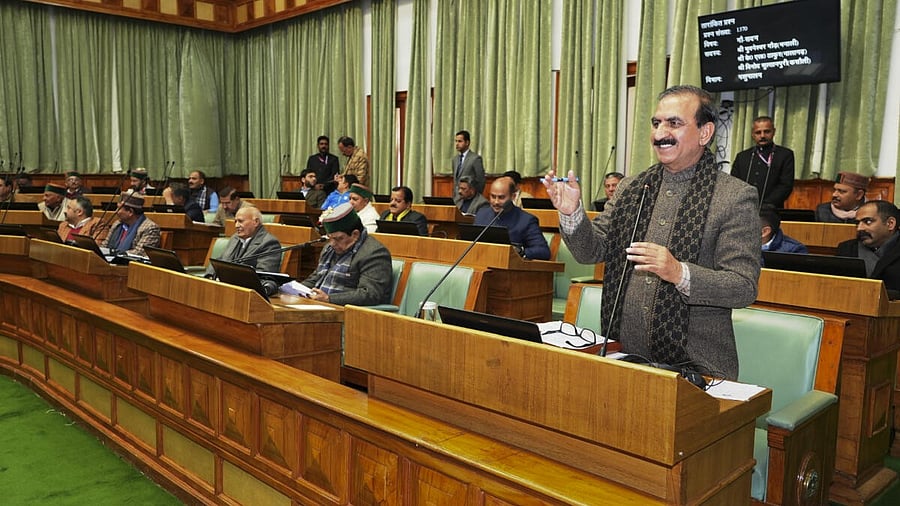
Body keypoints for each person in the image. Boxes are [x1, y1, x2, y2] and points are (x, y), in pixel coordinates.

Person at [543, 85, 760, 380]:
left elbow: (743, 286)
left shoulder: (734, 197)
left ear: (705, 133)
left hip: (698, 372)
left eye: (674, 123)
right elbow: (590, 251)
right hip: (624, 357)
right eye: (657, 123)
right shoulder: (631, 188)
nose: (660, 134)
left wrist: (679, 272)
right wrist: (572, 214)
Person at [301, 203, 392, 306]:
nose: (332, 243)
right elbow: (315, 279)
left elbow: (370, 294)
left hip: (347, 312)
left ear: (355, 234)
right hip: (320, 305)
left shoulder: (374, 253)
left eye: (338, 238)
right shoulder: (329, 249)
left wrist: (329, 299)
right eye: (329, 238)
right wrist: (293, 289)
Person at [205, 207, 283, 295]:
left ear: (256, 222)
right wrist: (210, 277)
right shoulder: (235, 238)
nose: (236, 225)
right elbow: (221, 259)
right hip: (227, 289)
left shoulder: (269, 243)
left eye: (240, 221)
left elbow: (264, 276)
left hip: (246, 293)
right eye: (235, 221)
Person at [474, 179, 550, 260]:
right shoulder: (482, 214)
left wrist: (519, 251)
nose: (496, 202)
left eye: (501, 197)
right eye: (493, 196)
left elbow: (543, 251)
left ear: (513, 196)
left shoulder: (526, 220)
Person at [836, 200, 900, 294]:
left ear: (890, 224)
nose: (860, 228)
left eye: (868, 221)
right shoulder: (847, 249)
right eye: (857, 223)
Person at [731, 116, 795, 208]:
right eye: (758, 132)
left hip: (771, 209)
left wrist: (767, 204)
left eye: (767, 131)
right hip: (744, 208)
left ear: (774, 132)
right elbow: (734, 184)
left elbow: (785, 185)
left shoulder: (784, 155)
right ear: (753, 134)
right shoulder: (742, 157)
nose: (762, 136)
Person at [102, 191, 161, 256]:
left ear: (130, 212)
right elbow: (105, 245)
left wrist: (115, 254)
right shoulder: (117, 224)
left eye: (119, 208)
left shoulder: (150, 228)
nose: (116, 211)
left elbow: (140, 253)